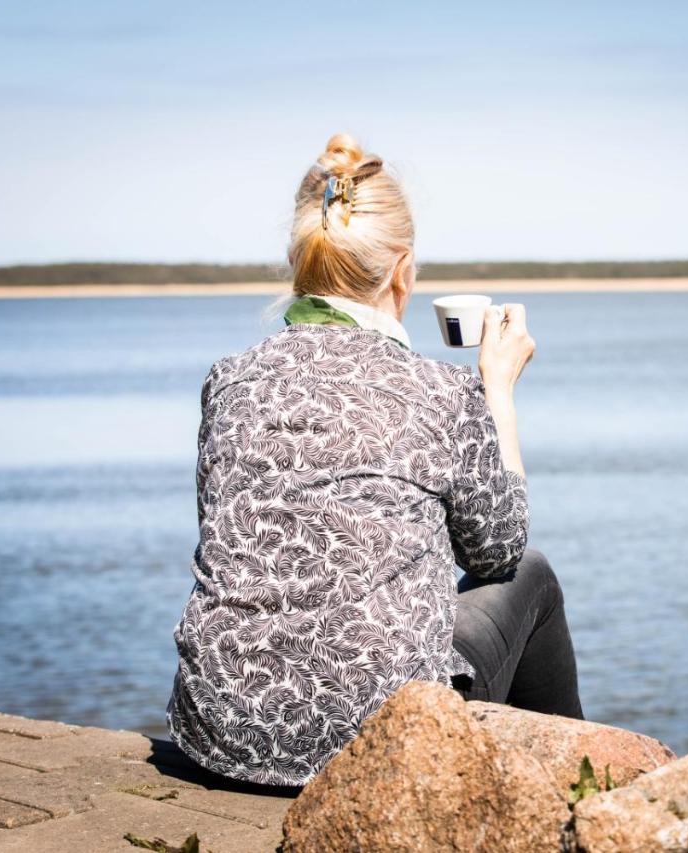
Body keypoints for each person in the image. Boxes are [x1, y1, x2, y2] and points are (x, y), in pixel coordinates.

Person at [164, 133, 583, 787]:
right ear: (402, 270)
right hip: (382, 736)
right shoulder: (440, 390)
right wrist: (495, 391)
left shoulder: (229, 380)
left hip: (221, 729)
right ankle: (567, 796)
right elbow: (495, 553)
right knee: (532, 574)